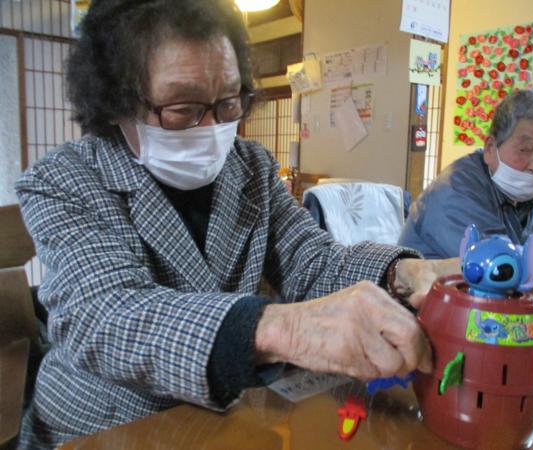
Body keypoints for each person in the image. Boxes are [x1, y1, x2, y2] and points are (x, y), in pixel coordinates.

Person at [13, 1, 473, 448]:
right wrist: (285, 330)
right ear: (117, 102)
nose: (211, 127)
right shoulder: (64, 179)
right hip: (105, 427)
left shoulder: (249, 167)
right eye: (182, 108)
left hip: (231, 419)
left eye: (229, 102)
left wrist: (404, 274)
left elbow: (312, 261)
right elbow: (107, 315)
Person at [400, 88, 533, 294]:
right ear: (490, 148)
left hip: (500, 307)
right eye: (524, 150)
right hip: (428, 307)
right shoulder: (454, 189)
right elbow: (499, 261)